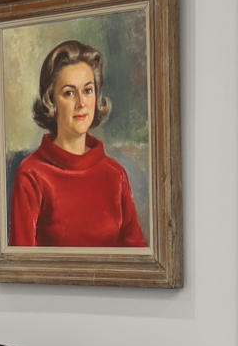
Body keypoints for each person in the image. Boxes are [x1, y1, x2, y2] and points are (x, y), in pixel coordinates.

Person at [8, 38, 146, 248]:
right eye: (69, 93)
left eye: (88, 90)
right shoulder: (31, 174)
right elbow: (21, 267)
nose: (81, 103)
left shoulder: (116, 175)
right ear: (51, 101)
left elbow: (138, 257)